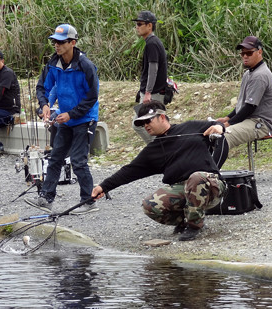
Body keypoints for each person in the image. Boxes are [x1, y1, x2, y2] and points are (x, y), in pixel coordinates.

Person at [91, 101, 227, 241]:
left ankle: (194, 226)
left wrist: (218, 127)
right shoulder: (152, 150)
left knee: (196, 177)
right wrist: (103, 187)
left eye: (148, 121)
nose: (145, 126)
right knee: (149, 205)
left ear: (161, 117)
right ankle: (186, 220)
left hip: (211, 185)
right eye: (142, 124)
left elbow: (218, 125)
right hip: (183, 188)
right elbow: (128, 171)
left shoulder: (190, 126)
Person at [25, 24, 99, 215]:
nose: (56, 45)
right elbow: (43, 88)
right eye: (54, 42)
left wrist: (72, 114)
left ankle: (89, 202)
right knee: (56, 157)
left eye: (60, 42)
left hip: (85, 118)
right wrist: (45, 105)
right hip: (65, 118)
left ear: (72, 43)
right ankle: (46, 198)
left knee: (78, 160)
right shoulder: (53, 63)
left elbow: (92, 97)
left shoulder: (86, 66)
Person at [211, 36, 272, 168]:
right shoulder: (248, 74)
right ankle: (198, 171)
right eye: (242, 53)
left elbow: (249, 108)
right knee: (210, 130)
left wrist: (227, 124)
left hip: (261, 122)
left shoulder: (260, 75)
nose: (245, 56)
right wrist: (226, 118)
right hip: (249, 119)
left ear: (260, 52)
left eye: (249, 53)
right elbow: (242, 105)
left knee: (223, 136)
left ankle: (209, 176)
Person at [132, 10, 168, 144]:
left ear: (149, 26)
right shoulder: (152, 42)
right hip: (154, 92)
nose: (137, 27)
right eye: (136, 24)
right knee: (155, 125)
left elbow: (153, 69)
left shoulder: (152, 44)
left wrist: (148, 92)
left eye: (140, 24)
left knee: (138, 124)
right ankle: (161, 150)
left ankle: (158, 149)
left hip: (153, 94)